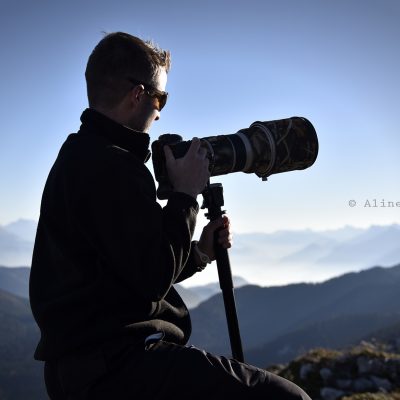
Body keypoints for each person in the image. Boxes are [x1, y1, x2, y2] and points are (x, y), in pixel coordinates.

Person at [29, 32, 310, 400]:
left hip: (84, 370)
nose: (161, 110)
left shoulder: (82, 155)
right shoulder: (112, 167)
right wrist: (185, 196)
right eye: (161, 96)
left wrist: (200, 253)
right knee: (288, 398)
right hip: (118, 366)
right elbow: (151, 279)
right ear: (138, 95)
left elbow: (131, 266)